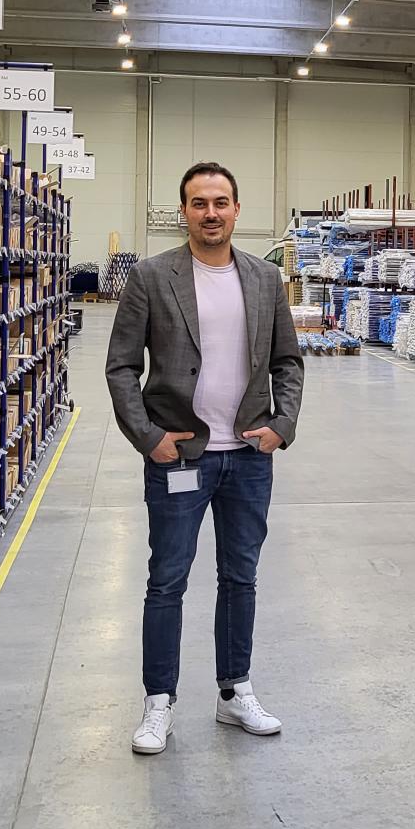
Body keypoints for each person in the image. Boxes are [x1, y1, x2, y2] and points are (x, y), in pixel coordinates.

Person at [106, 162, 304, 755]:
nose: (211, 213)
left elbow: (288, 362)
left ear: (237, 209)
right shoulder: (150, 277)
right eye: (199, 203)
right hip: (180, 457)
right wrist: (150, 438)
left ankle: (233, 691)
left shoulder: (266, 279)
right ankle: (158, 701)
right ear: (183, 211)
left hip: (247, 456)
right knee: (167, 580)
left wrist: (280, 427)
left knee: (239, 577)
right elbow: (121, 368)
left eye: (221, 202)